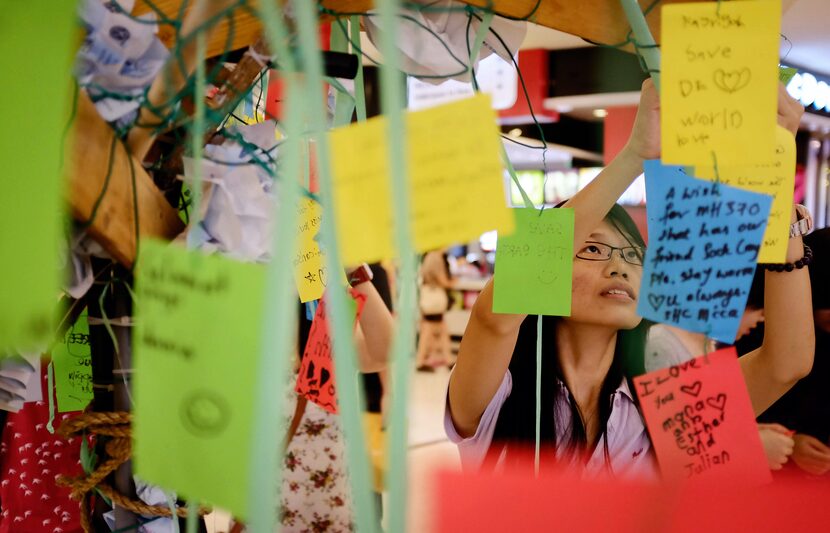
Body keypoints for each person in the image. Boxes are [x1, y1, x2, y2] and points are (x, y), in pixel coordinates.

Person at [445, 80, 814, 478]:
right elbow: (501, 307)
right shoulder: (501, 394)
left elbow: (785, 364)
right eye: (592, 249)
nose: (619, 267)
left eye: (633, 254)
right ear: (549, 270)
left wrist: (779, 210)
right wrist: (634, 156)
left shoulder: (665, 403)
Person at [416, 249, 455, 371]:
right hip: (436, 304)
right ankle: (421, 361)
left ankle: (447, 359)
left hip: (427, 303)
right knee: (431, 333)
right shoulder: (437, 259)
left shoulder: (427, 260)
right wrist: (452, 282)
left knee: (434, 331)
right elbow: (445, 282)